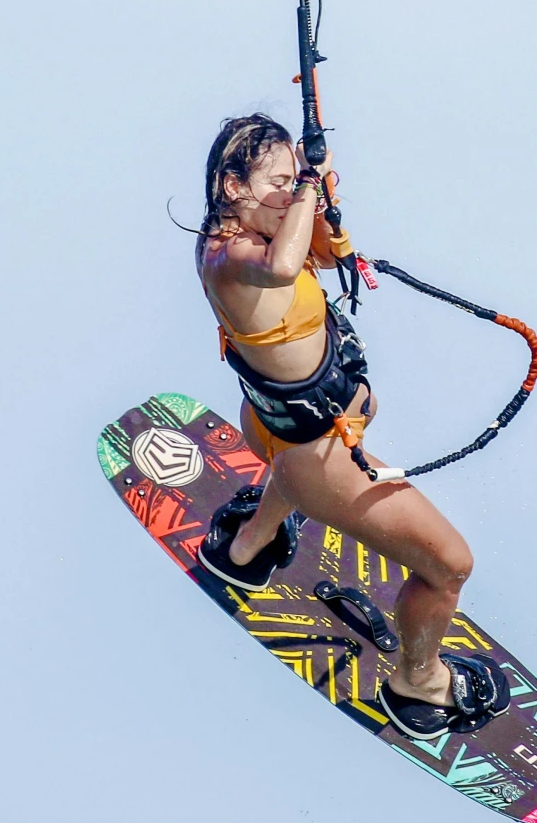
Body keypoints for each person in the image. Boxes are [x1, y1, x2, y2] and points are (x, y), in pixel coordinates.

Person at [192, 114, 509, 739]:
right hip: (313, 457)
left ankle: (249, 546)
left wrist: (323, 197)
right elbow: (283, 269)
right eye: (278, 182)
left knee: (318, 455)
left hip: (288, 433)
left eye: (294, 182)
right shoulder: (228, 256)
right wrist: (309, 187)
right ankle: (418, 684)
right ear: (233, 187)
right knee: (449, 566)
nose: (290, 195)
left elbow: (327, 253)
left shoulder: (266, 229)